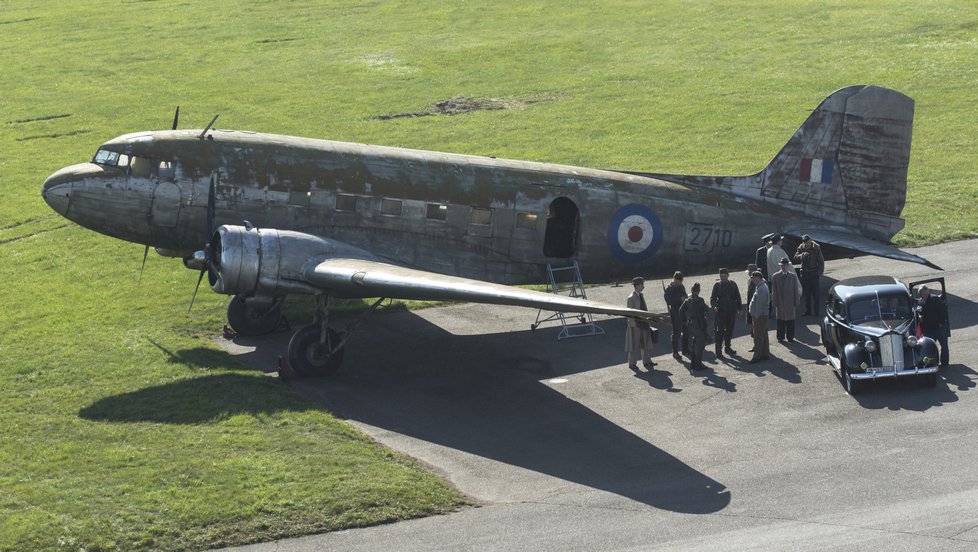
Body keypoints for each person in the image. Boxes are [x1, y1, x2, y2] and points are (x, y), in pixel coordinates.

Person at [710, 267, 742, 358]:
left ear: (728, 276)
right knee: (719, 332)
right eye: (721, 276)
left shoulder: (733, 284)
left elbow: (738, 296)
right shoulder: (717, 285)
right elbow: (713, 298)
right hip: (721, 312)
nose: (723, 278)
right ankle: (718, 351)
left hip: (731, 311)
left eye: (724, 276)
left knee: (729, 331)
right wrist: (714, 306)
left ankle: (728, 348)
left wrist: (739, 308)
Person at [625, 277, 656, 371]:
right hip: (636, 324)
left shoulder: (641, 296)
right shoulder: (631, 298)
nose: (643, 286)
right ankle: (632, 363)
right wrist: (632, 324)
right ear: (637, 285)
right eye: (642, 284)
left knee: (645, 343)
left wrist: (648, 320)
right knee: (634, 345)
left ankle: (647, 361)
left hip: (644, 323)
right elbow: (629, 313)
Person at [770, 257, 802, 342]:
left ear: (788, 266)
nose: (784, 266)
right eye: (782, 265)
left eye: (785, 265)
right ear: (780, 266)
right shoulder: (775, 276)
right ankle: (780, 337)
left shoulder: (793, 276)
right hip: (780, 302)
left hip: (790, 302)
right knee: (780, 321)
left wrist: (796, 301)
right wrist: (775, 302)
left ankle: (790, 337)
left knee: (790, 321)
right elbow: (774, 291)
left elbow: (796, 290)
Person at [679, 282, 709, 370]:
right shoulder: (700, 300)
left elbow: (681, 311)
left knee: (694, 343)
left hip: (691, 324)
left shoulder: (687, 300)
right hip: (699, 323)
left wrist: (685, 321)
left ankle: (693, 363)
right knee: (700, 344)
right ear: (698, 291)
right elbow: (706, 309)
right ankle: (698, 364)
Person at [918, 285, 949, 367]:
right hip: (928, 329)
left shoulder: (935, 299)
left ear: (927, 291)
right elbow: (919, 312)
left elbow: (942, 312)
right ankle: (932, 363)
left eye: (924, 294)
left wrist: (941, 323)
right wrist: (919, 317)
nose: (923, 296)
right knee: (929, 348)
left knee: (944, 346)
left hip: (938, 328)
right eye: (921, 295)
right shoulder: (920, 302)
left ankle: (945, 363)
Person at [793, 234, 825, 316]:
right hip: (804, 273)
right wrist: (802, 256)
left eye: (807, 242)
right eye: (805, 242)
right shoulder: (801, 247)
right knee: (807, 294)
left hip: (813, 273)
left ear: (810, 240)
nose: (806, 244)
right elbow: (795, 257)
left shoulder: (816, 248)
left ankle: (817, 311)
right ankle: (808, 311)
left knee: (815, 294)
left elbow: (821, 261)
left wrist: (819, 273)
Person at [663, 271, 689, 360]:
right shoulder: (669, 289)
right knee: (676, 332)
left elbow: (685, 295)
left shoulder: (681, 286)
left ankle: (685, 349)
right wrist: (679, 299)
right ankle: (675, 352)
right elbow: (669, 301)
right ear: (675, 279)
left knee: (686, 330)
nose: (680, 283)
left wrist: (685, 298)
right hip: (675, 312)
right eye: (679, 281)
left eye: (681, 281)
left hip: (683, 311)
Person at [748, 271, 770, 363]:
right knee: (763, 335)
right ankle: (765, 354)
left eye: (753, 278)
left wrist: (756, 316)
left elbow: (759, 305)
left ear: (758, 278)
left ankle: (757, 356)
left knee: (758, 337)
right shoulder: (761, 286)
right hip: (762, 315)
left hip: (760, 316)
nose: (752, 280)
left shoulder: (761, 289)